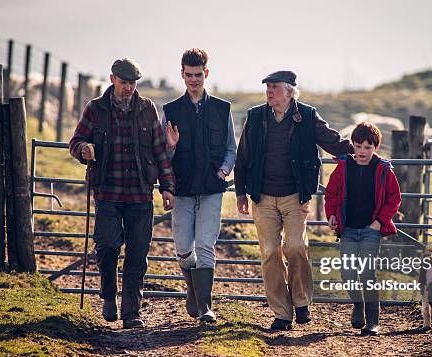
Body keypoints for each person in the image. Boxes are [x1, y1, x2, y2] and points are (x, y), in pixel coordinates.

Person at [234, 70, 354, 331]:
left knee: (297, 247)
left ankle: (301, 302)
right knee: (269, 253)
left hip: (294, 196)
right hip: (262, 196)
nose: (269, 91)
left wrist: (362, 152)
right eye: (267, 87)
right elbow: (242, 156)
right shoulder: (255, 116)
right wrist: (241, 193)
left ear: (289, 91)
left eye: (274, 87)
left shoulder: (307, 116)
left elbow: (333, 142)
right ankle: (282, 313)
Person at [69, 58, 175, 329]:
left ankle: (131, 313)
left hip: (140, 192)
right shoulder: (95, 109)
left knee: (138, 253)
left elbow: (160, 150)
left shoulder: (147, 108)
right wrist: (83, 149)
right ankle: (108, 294)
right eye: (124, 82)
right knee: (106, 246)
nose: (129, 88)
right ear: (112, 79)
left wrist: (167, 187)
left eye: (132, 83)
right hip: (107, 191)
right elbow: (76, 140)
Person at [162, 48, 236, 323]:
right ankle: (193, 290)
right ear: (182, 74)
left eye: (198, 74)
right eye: (189, 75)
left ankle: (204, 306)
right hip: (182, 190)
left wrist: (223, 171)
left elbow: (231, 148)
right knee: (183, 248)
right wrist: (170, 147)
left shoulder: (222, 108)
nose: (194, 79)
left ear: (206, 73)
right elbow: (162, 156)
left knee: (205, 246)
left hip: (212, 189)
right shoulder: (170, 111)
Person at [324, 121, 401, 335]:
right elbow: (330, 194)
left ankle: (373, 321)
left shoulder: (383, 170)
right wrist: (331, 215)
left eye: (367, 147)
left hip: (371, 229)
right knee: (348, 273)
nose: (362, 152)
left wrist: (379, 223)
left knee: (367, 273)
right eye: (358, 147)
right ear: (353, 146)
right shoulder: (343, 167)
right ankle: (358, 304)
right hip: (347, 229)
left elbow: (394, 198)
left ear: (375, 148)